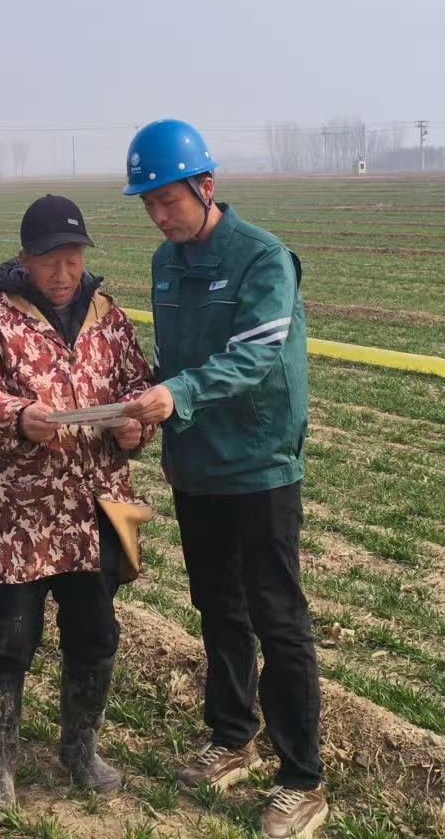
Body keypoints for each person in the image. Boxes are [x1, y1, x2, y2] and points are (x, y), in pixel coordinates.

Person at [119, 120, 328, 839]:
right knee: (218, 605)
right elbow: (173, 357)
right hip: (197, 464)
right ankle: (233, 735)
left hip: (259, 464)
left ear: (206, 187)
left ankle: (302, 779)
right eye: (148, 203)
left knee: (278, 615)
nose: (158, 215)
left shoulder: (262, 258)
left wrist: (176, 394)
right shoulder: (165, 262)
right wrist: (144, 405)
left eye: (167, 200)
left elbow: (255, 355)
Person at [0, 195, 156, 816]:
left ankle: (80, 750)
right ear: (25, 259)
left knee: (96, 633)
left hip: (98, 509)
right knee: (8, 638)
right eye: (48, 262)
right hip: (19, 515)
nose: (62, 274)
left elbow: (137, 388)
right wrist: (18, 417)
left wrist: (136, 428)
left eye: (72, 260)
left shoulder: (110, 318)